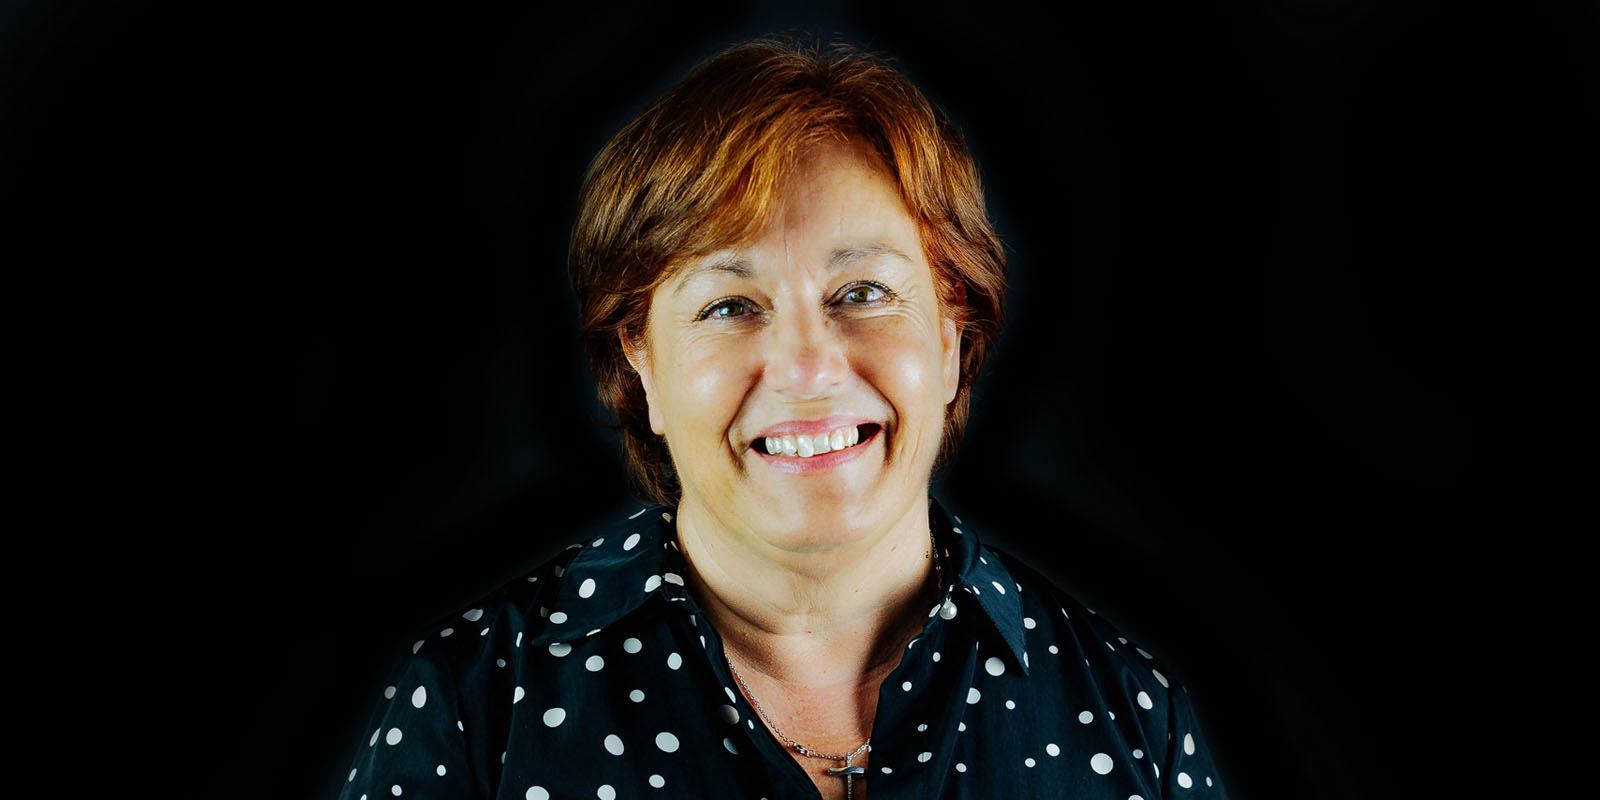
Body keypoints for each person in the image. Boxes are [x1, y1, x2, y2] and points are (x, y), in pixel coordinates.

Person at [338, 36, 1230, 800]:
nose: (809, 368)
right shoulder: (473, 707)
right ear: (640, 361)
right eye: (730, 306)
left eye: (863, 291)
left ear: (952, 336)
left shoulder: (1131, 717)